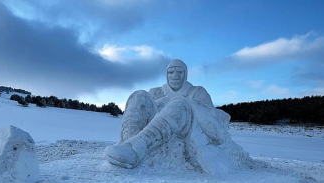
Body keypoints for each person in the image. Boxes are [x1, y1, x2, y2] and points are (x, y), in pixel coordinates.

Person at [104, 59, 251, 173]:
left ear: (185, 75)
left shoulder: (197, 92)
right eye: (171, 72)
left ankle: (136, 149)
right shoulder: (156, 92)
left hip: (185, 130)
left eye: (179, 72)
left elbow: (215, 131)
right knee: (140, 95)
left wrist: (187, 103)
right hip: (155, 125)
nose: (175, 76)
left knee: (180, 103)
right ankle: (127, 143)